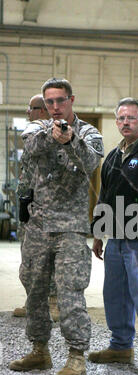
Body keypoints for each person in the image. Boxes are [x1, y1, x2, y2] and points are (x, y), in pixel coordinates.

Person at [9, 78, 104, 375]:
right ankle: (40, 350)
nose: (54, 107)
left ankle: (76, 356)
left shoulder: (89, 132)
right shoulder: (38, 128)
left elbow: (90, 162)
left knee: (70, 294)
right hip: (37, 228)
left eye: (60, 100)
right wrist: (53, 137)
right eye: (49, 102)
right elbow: (32, 146)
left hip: (70, 228)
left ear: (71, 99)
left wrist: (70, 139)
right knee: (35, 293)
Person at [88, 97, 138, 375]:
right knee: (115, 295)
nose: (125, 123)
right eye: (120, 118)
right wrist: (98, 233)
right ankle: (120, 346)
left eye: (131, 118)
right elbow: (104, 197)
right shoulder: (112, 157)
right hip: (117, 239)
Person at [13, 94, 60, 322]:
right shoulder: (34, 134)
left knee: (45, 260)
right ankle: (33, 301)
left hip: (44, 208)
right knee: (28, 260)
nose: (27, 112)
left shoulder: (48, 134)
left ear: (42, 111)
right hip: (27, 205)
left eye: (30, 108)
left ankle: (53, 304)